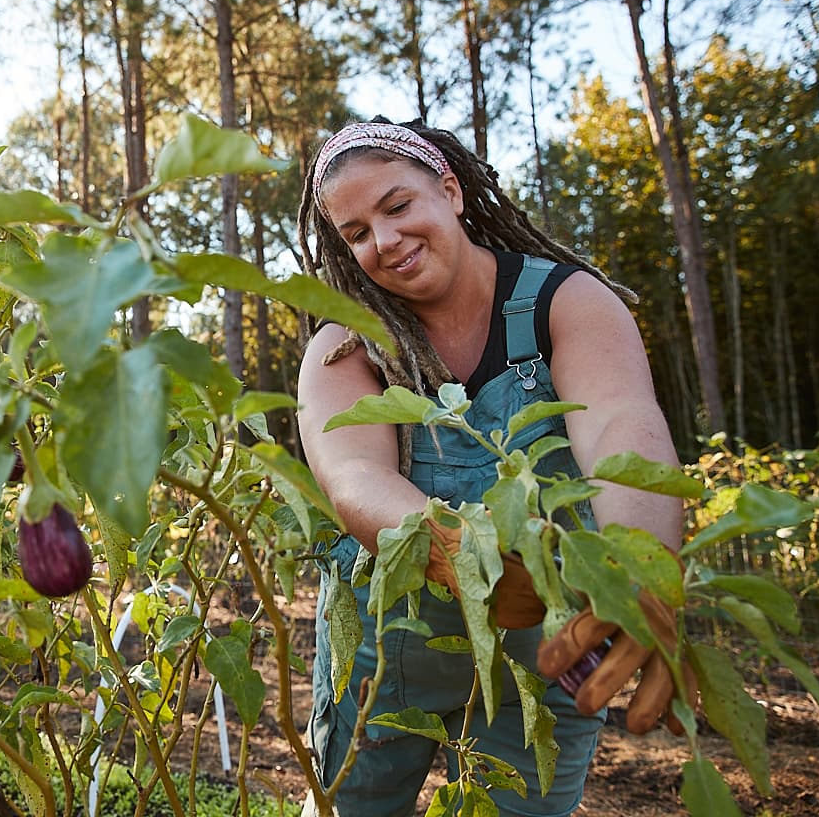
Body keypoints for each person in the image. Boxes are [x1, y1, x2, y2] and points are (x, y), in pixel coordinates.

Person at [295, 118, 690, 816]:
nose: (384, 242)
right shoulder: (344, 343)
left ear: (449, 190)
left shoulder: (564, 302)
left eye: (397, 206)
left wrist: (640, 570)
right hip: (384, 653)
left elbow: (623, 431)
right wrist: (459, 555)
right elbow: (352, 478)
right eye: (356, 233)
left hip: (549, 648)